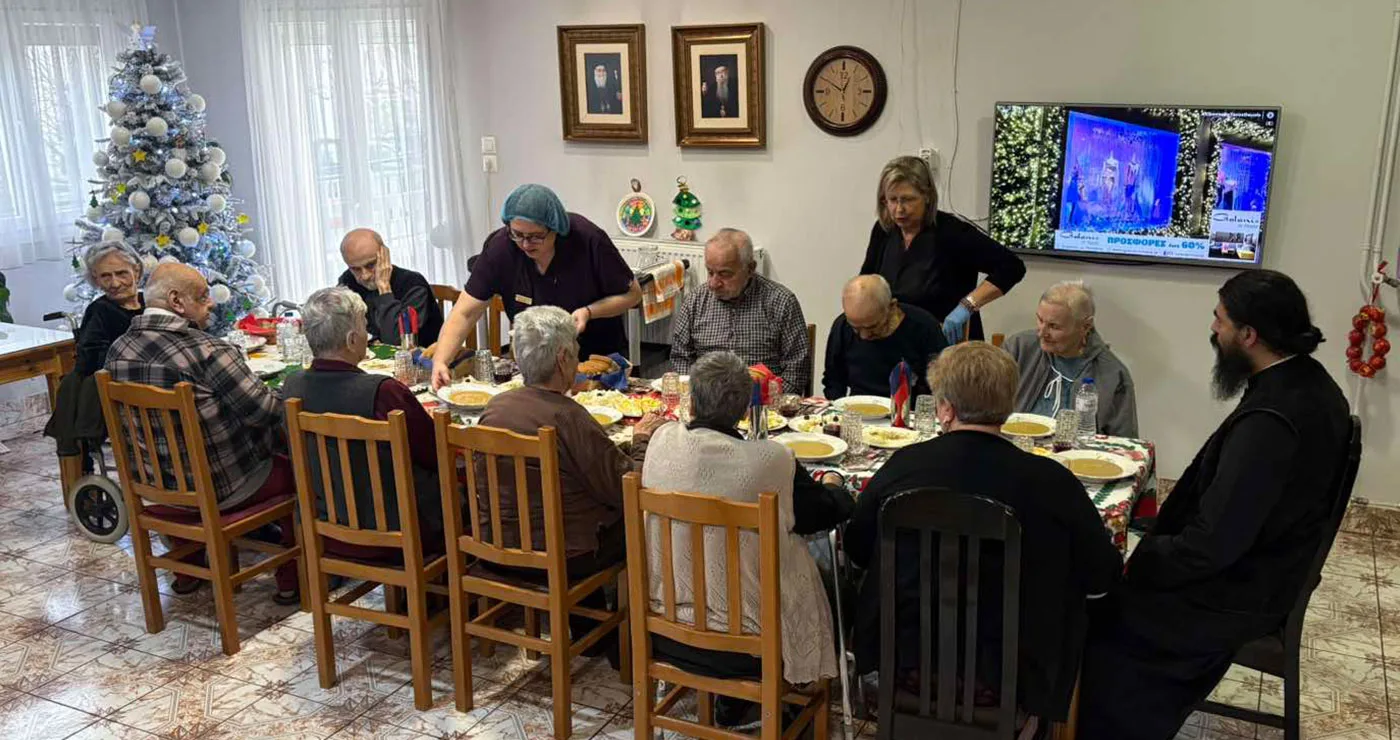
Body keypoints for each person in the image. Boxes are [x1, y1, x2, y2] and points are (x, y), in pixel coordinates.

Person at [1078, 270, 1351, 740]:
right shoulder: (1307, 383)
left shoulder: (1271, 423)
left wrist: (1134, 560)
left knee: (1087, 610)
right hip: (1263, 567)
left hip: (1237, 593)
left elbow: (1211, 545)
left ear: (1249, 334)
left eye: (1219, 320)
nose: (1213, 330)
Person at [845, 342, 1121, 723]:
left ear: (945, 408)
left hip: (906, 659)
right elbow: (1101, 576)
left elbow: (858, 550)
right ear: (1009, 407)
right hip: (1012, 673)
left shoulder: (904, 467)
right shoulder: (1052, 481)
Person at [642, 351, 848, 727]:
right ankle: (782, 703)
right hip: (751, 643)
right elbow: (822, 514)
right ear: (743, 409)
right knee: (818, 570)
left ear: (692, 400)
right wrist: (835, 486)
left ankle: (731, 702)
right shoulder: (771, 459)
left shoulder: (660, 441)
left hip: (666, 626)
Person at [105, 263, 299, 603]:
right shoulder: (208, 350)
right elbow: (267, 412)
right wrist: (290, 391)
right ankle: (291, 580)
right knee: (300, 468)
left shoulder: (118, 351)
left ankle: (186, 570)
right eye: (203, 296)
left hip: (155, 487)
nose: (211, 304)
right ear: (177, 302)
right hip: (222, 489)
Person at [474, 306, 663, 653]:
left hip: (494, 547)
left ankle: (588, 621)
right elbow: (625, 486)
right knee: (644, 520)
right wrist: (642, 440)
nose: (577, 361)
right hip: (563, 555)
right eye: (575, 353)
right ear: (562, 359)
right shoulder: (567, 416)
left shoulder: (494, 407)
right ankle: (633, 641)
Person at [281, 287, 444, 554]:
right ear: (352, 338)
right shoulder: (383, 391)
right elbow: (434, 452)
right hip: (402, 529)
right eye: (364, 327)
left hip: (327, 525)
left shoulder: (292, 386)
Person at [432, 185, 641, 389]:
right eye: (517, 234)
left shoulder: (588, 240)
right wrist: (441, 361)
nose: (525, 244)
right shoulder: (501, 247)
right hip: (535, 368)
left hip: (594, 362)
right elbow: (465, 313)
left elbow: (633, 295)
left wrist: (589, 312)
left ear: (556, 228)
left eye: (535, 236)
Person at [859, 156, 1026, 345]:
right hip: (897, 343)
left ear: (928, 196)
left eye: (908, 200)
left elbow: (1011, 266)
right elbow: (867, 280)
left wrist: (967, 305)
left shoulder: (952, 233)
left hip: (946, 345)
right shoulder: (884, 231)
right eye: (892, 200)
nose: (899, 209)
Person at [45, 244, 146, 479]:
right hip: (125, 391)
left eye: (121, 273)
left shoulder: (152, 302)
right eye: (105, 276)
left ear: (137, 272)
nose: (114, 282)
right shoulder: (99, 311)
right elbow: (89, 360)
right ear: (96, 280)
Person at [670, 228, 810, 393]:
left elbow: (797, 369)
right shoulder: (695, 301)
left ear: (750, 269)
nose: (713, 283)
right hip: (707, 402)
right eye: (710, 272)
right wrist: (699, 396)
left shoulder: (780, 302)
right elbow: (680, 358)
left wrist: (772, 404)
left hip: (763, 405)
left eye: (725, 274)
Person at [1002, 280, 1138, 437]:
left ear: (1085, 327)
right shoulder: (1018, 347)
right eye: (1040, 320)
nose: (1041, 333)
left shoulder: (1112, 374)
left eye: (1054, 326)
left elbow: (1124, 443)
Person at [823, 274, 946, 400]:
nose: (864, 336)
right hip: (857, 411)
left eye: (872, 327)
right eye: (856, 328)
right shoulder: (842, 326)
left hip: (908, 412)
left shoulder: (923, 326)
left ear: (891, 307)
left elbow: (942, 383)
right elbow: (833, 380)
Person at [337, 228, 443, 347]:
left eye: (371, 265)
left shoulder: (412, 283)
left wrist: (384, 288)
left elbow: (396, 341)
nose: (365, 276)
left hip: (421, 359)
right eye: (355, 269)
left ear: (385, 256)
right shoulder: (348, 281)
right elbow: (339, 328)